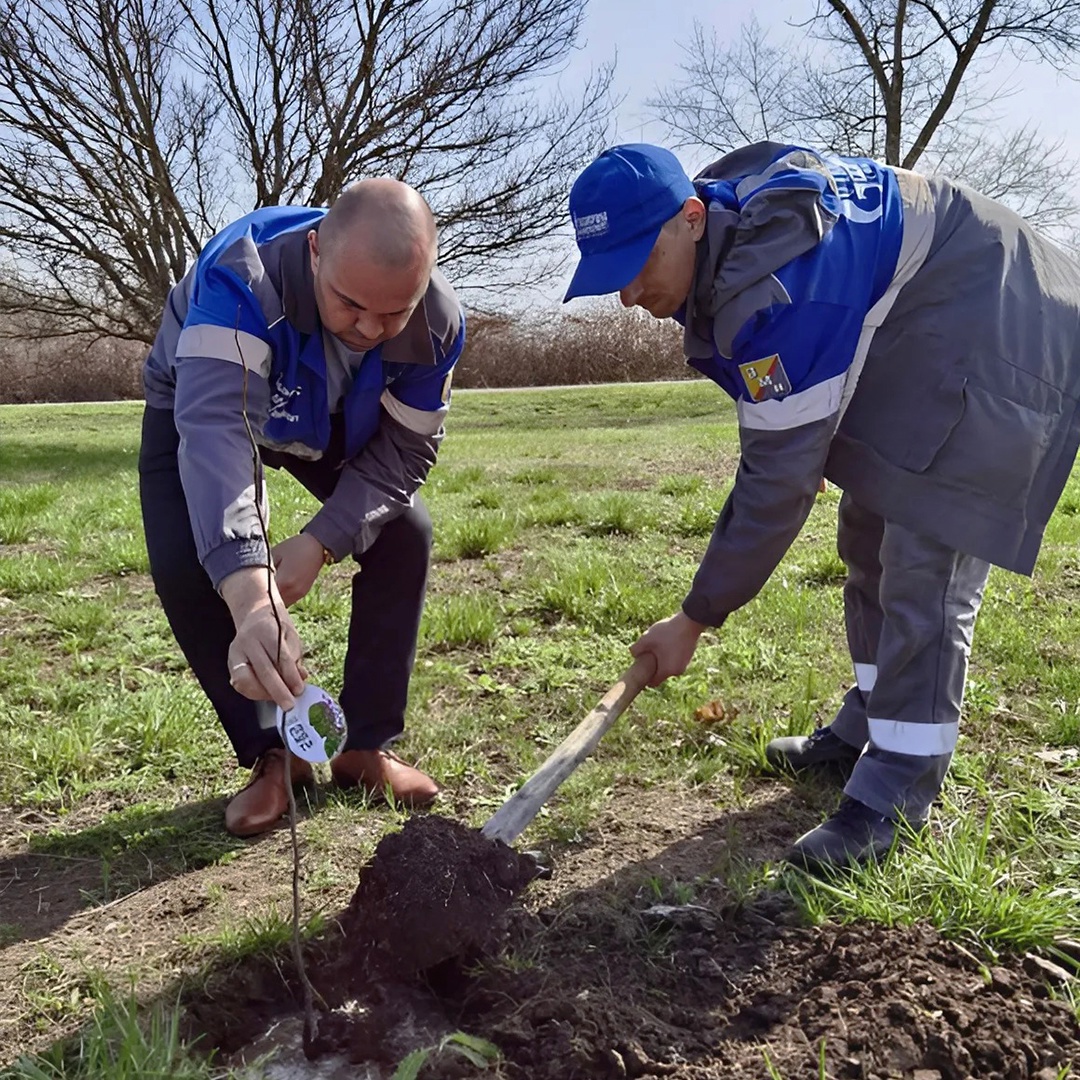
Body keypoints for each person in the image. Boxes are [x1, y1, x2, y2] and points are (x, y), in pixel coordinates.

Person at [563, 142, 1080, 870]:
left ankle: (894, 797)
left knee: (923, 550)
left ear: (688, 218)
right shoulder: (723, 215)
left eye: (636, 266)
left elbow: (778, 483)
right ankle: (871, 721)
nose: (627, 296)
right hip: (926, 311)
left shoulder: (780, 286)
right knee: (866, 527)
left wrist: (697, 615)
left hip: (999, 313)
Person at [139, 179, 464, 837]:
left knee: (404, 534)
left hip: (333, 416)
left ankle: (363, 747)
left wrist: (320, 541)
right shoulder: (242, 276)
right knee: (187, 558)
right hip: (199, 407)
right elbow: (218, 432)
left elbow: (403, 455)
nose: (372, 330)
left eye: (393, 312)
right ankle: (274, 757)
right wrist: (252, 596)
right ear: (316, 251)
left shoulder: (438, 322)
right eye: (351, 305)